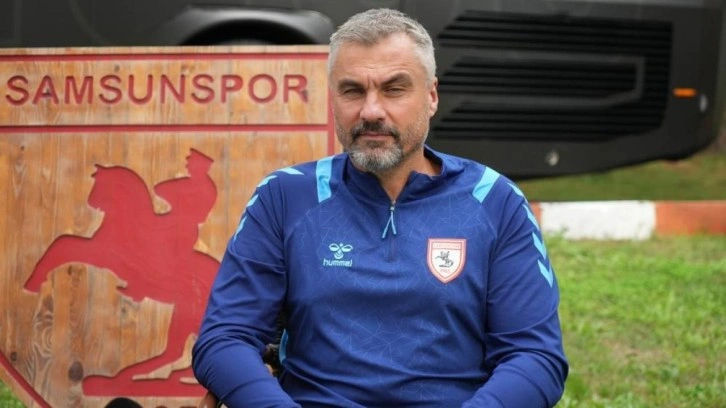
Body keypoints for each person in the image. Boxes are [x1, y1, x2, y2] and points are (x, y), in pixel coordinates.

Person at [192, 8, 568, 407]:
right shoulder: (285, 196)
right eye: (353, 91)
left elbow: (535, 357)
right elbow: (224, 338)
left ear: (431, 96)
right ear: (333, 99)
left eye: (394, 89)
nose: (371, 111)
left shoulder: (495, 201)